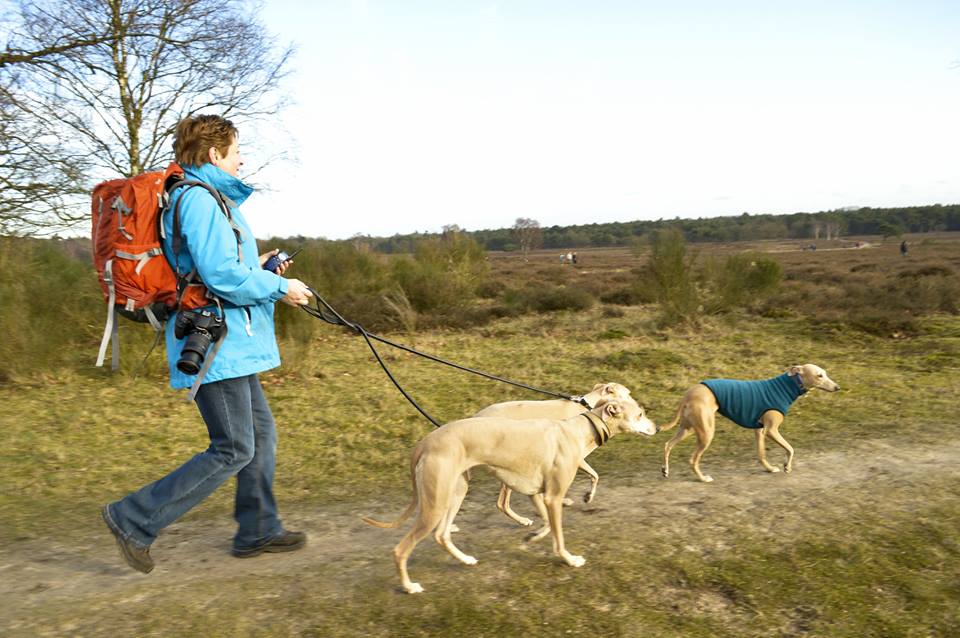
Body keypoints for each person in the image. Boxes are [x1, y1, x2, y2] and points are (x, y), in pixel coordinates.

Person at [101, 114, 314, 573]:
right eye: (237, 151)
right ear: (215, 154)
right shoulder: (198, 198)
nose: (242, 160)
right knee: (233, 447)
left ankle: (258, 528)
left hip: (232, 341)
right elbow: (220, 275)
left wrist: (260, 265)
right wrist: (281, 287)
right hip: (215, 343)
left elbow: (216, 266)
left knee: (260, 436)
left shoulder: (212, 198)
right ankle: (133, 518)